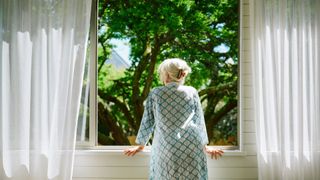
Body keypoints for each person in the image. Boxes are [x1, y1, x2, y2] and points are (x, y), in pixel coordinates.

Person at [124, 58, 224, 179]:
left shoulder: (156, 93)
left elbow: (148, 121)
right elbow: (199, 121)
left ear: (166, 75)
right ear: (182, 75)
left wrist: (141, 144)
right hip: (192, 148)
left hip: (166, 149)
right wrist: (205, 145)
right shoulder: (192, 92)